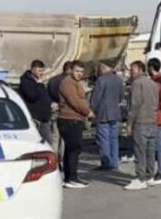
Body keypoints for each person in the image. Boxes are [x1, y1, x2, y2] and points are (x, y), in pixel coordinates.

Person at [124, 61, 160, 191]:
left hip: (141, 121)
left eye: (132, 69)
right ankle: (150, 176)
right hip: (152, 121)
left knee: (140, 152)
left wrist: (129, 124)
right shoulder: (153, 84)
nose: (130, 72)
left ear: (140, 70)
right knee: (150, 151)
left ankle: (140, 178)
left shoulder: (137, 83)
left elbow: (134, 105)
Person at [57, 61, 93, 189]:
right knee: (74, 149)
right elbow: (75, 101)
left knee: (72, 149)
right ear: (71, 70)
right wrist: (88, 111)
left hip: (74, 119)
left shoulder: (75, 83)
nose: (79, 74)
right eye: (77, 71)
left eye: (81, 72)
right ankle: (71, 178)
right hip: (69, 119)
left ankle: (70, 177)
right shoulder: (68, 83)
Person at [90, 61, 124, 171]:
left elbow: (95, 98)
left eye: (100, 68)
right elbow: (121, 97)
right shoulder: (119, 79)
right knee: (114, 139)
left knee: (103, 139)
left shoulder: (101, 80)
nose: (99, 70)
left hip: (103, 113)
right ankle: (114, 162)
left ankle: (106, 163)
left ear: (104, 68)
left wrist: (91, 111)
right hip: (115, 113)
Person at [18, 60, 53, 146]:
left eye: (42, 71)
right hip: (36, 118)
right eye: (39, 71)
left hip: (44, 117)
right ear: (33, 70)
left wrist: (50, 104)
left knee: (47, 142)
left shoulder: (38, 81)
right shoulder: (26, 82)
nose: (41, 73)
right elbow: (32, 96)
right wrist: (39, 85)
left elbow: (44, 96)